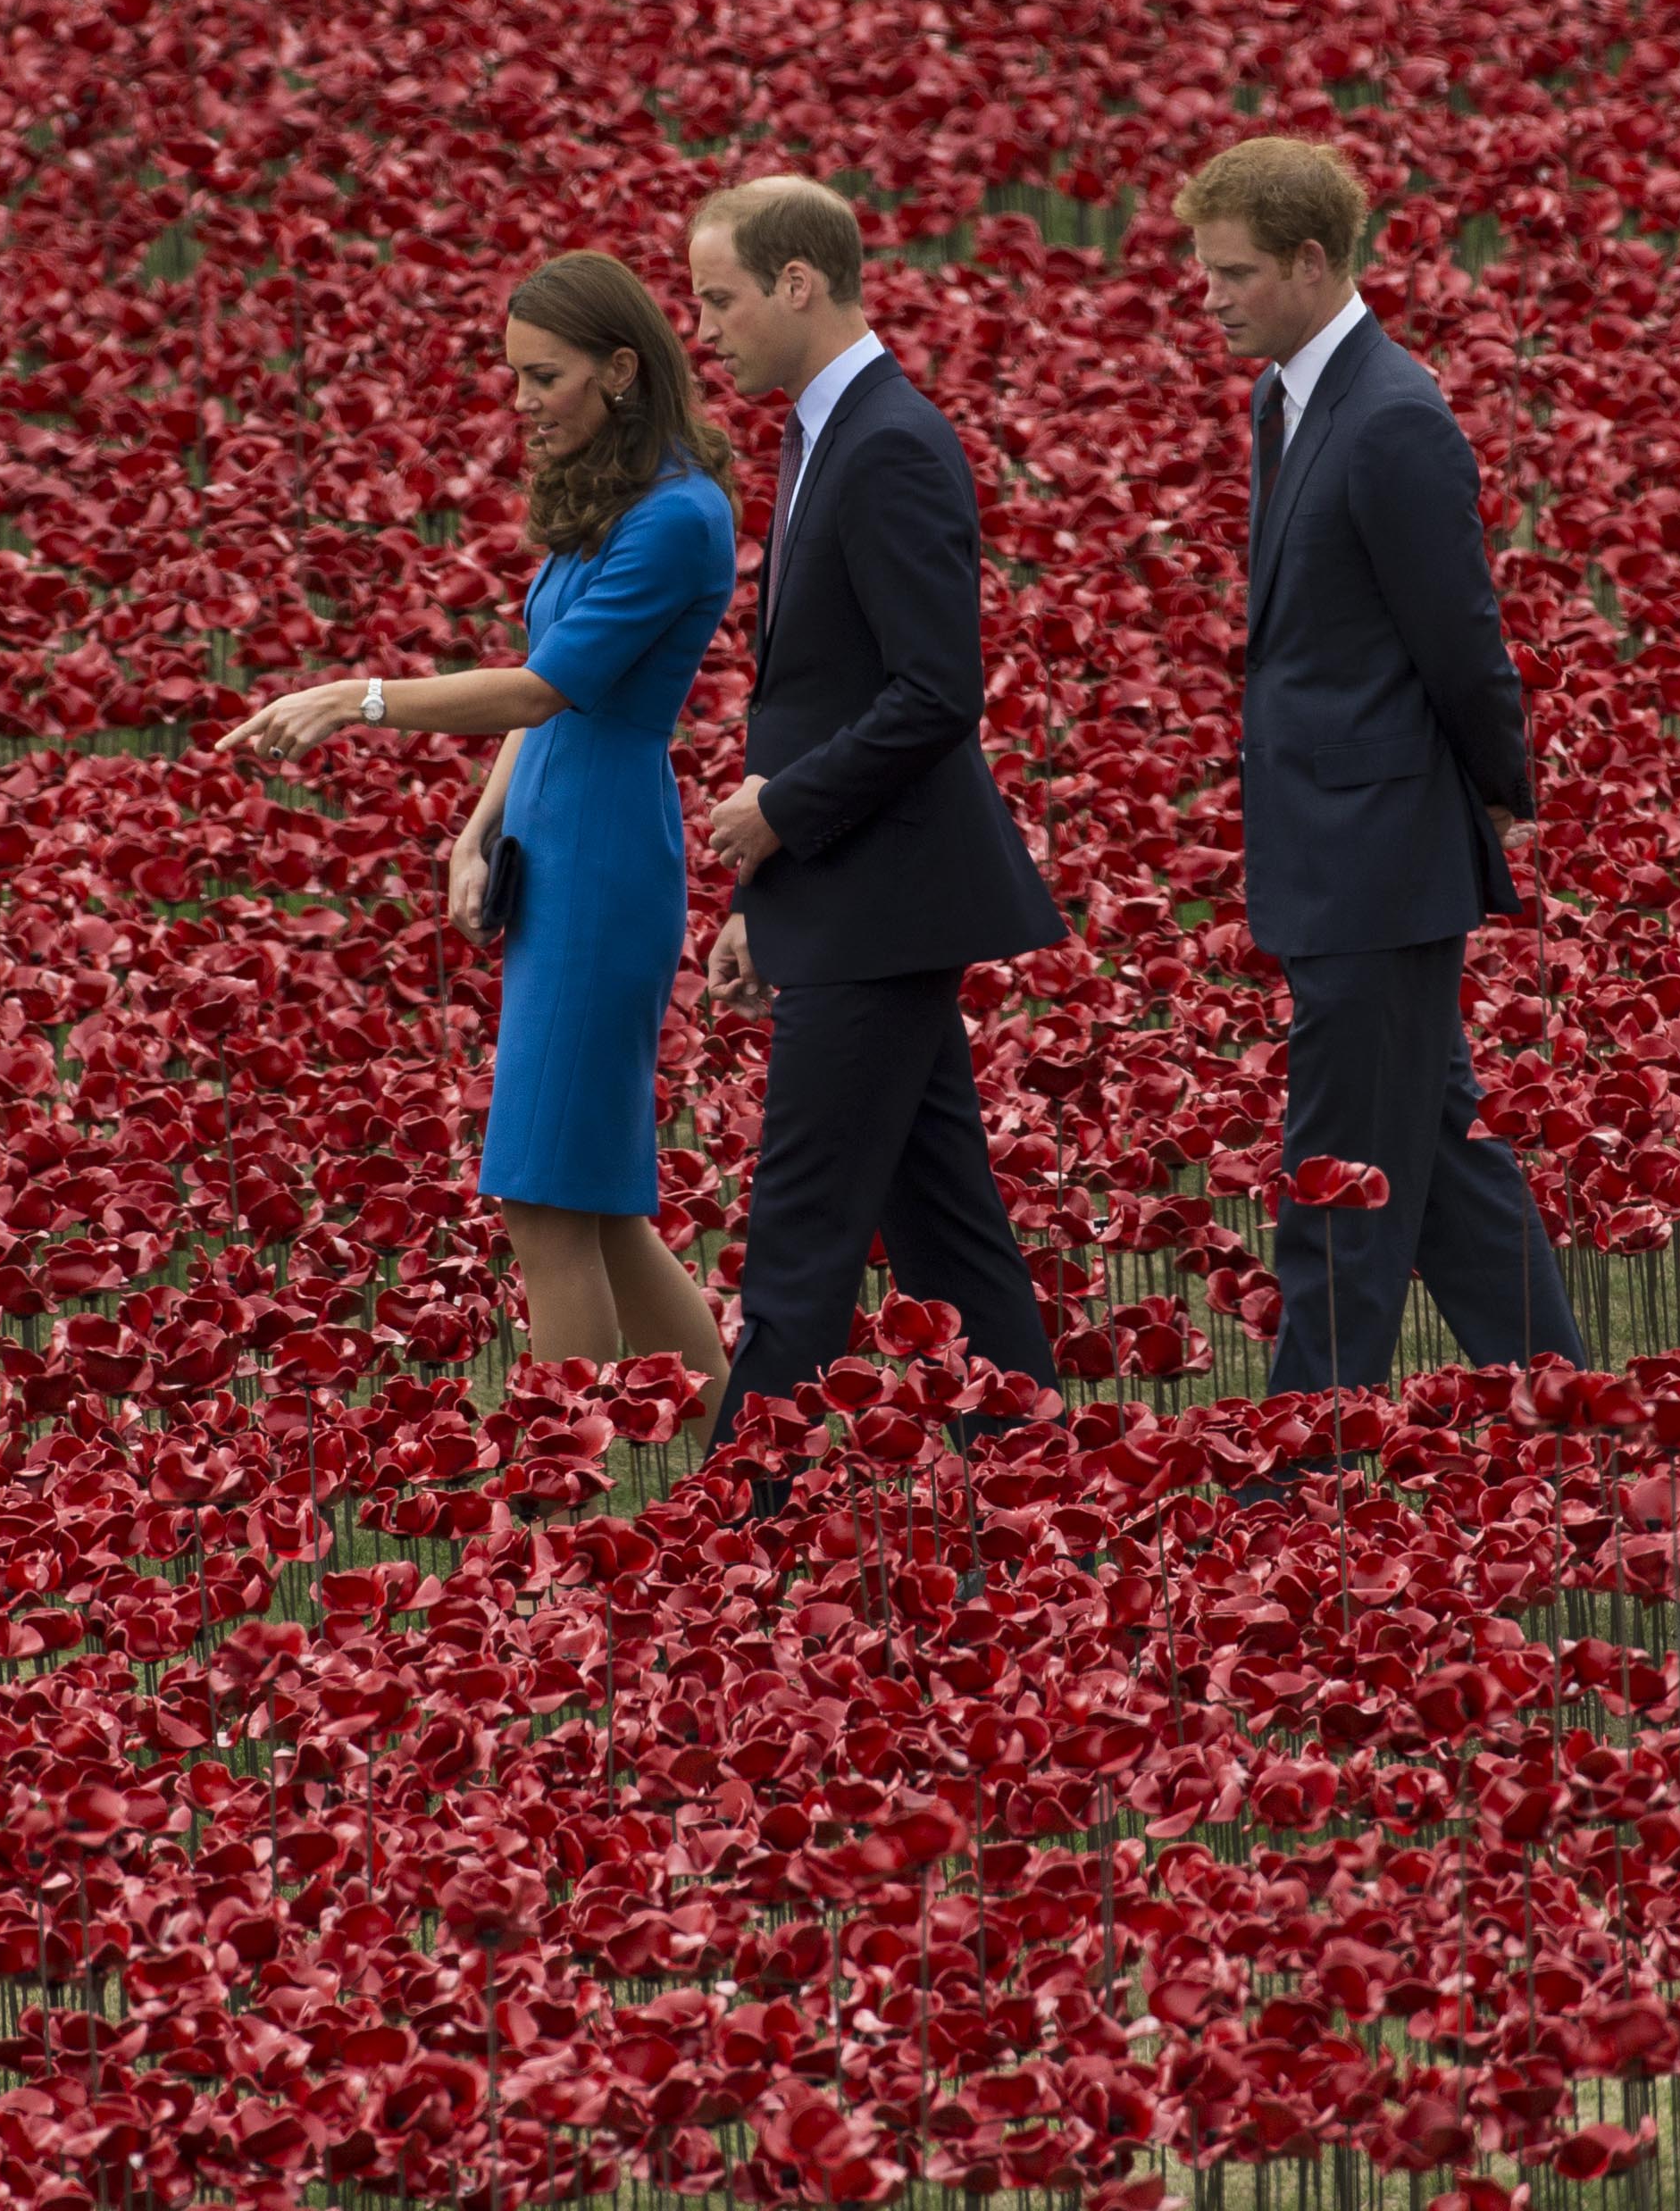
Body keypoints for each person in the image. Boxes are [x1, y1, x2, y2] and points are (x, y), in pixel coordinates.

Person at [221, 251, 737, 1394]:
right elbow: (545, 681)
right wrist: (477, 825)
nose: (519, 402)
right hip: (554, 843)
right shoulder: (614, 503)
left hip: (605, 861)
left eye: (541, 376)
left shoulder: (678, 519)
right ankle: (737, 1468)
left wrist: (355, 700)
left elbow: (543, 690)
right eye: (512, 375)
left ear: (619, 369)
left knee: (546, 1206)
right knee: (593, 1209)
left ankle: (567, 1500)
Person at [1175, 134, 1584, 1389]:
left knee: (1340, 1165)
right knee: (1441, 1151)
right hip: (1334, 837)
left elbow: (1462, 637)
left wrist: (1500, 791)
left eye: (1234, 272)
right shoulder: (1287, 396)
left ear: (1312, 260)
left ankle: (1308, 1454)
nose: (1213, 297)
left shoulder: (1395, 416)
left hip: (1380, 850)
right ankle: (1566, 1401)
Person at [681, 175, 1065, 1466]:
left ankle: (732, 1532)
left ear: (800, 283)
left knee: (799, 1239)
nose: (708, 329)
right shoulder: (817, 433)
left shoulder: (891, 439)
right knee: (950, 1228)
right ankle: (1043, 1483)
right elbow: (829, 697)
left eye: (720, 299)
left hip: (882, 903)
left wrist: (781, 816)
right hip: (851, 898)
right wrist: (762, 894)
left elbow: (933, 693)